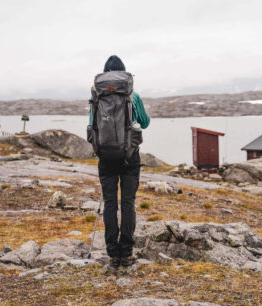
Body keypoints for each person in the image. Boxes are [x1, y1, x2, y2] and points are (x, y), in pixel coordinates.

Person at [88, 55, 150, 269]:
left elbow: (91, 126)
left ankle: (113, 254)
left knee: (110, 204)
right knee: (128, 203)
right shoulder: (133, 95)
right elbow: (145, 123)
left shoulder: (97, 96)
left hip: (106, 157)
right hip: (130, 156)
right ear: (124, 74)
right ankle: (127, 251)